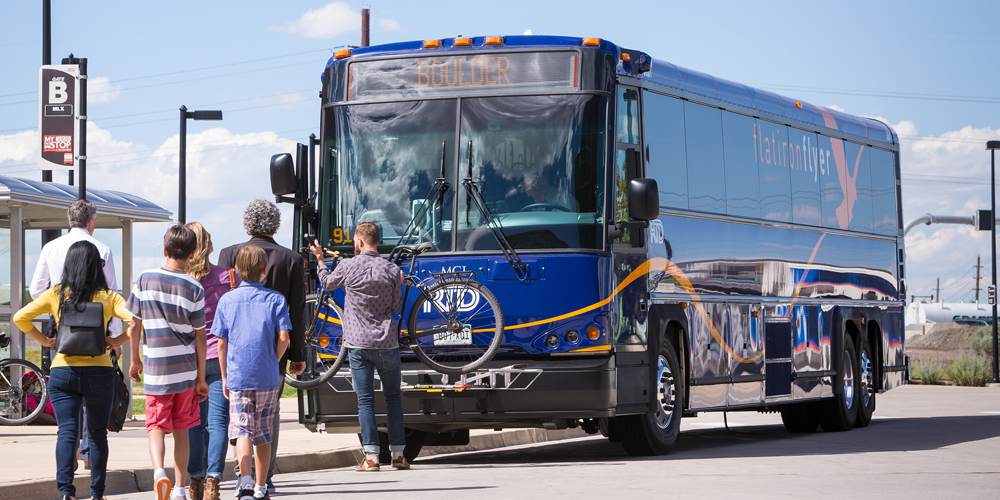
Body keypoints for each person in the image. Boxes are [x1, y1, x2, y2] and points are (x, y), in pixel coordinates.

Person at [14, 240, 139, 500]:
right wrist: (116, 342)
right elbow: (135, 321)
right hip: (99, 371)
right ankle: (97, 493)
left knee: (67, 432)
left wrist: (45, 341)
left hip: (64, 371)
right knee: (96, 434)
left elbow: (19, 318)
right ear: (97, 267)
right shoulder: (108, 296)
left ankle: (65, 492)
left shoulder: (56, 294)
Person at [218, 199, 306, 487]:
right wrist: (297, 354)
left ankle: (242, 473)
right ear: (275, 224)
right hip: (274, 354)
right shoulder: (291, 259)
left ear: (247, 224)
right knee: (269, 416)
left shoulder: (229, 254)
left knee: (239, 418)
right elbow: (297, 309)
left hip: (237, 355)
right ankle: (264, 477)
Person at [29, 199, 120, 470]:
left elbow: (36, 289)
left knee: (68, 387)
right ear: (91, 221)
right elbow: (112, 293)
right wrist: (114, 337)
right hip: (96, 331)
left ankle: (70, 454)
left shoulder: (50, 247)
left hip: (64, 329)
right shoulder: (102, 248)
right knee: (93, 392)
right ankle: (89, 451)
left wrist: (56, 306)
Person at [309, 222, 408, 471]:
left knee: (365, 401)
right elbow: (396, 308)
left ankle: (372, 457)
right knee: (394, 399)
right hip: (387, 343)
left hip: (358, 343)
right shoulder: (392, 270)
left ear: (360, 242)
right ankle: (398, 455)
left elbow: (328, 284)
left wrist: (320, 261)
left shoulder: (348, 266)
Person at [128, 225, 209, 500]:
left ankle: (159, 473)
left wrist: (135, 360)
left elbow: (134, 326)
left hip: (156, 370)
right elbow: (200, 337)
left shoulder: (144, 279)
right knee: (182, 430)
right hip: (185, 371)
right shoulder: (194, 287)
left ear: (165, 250)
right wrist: (200, 378)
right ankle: (179, 488)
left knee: (156, 427)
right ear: (192, 253)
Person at [214, 245, 291, 500]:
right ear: (263, 270)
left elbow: (222, 343)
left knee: (241, 430)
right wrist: (273, 359)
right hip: (267, 376)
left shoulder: (227, 300)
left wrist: (224, 376)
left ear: (237, 269)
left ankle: (244, 482)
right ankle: (261, 485)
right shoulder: (276, 300)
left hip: (238, 375)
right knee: (264, 433)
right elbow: (284, 338)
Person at [185, 222, 238, 500]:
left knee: (194, 422)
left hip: (190, 358)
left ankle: (196, 478)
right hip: (221, 356)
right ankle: (214, 482)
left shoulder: (179, 278)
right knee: (218, 423)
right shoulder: (229, 277)